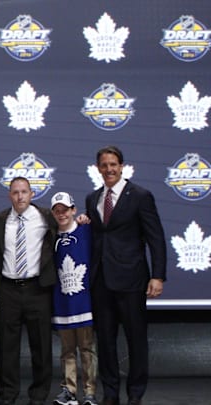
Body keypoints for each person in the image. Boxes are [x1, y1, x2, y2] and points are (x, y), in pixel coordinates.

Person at [85, 146, 166, 405]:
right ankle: (110, 393)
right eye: (104, 165)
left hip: (131, 280)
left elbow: (156, 238)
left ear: (122, 167)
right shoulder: (93, 198)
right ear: (98, 168)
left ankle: (135, 393)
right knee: (106, 342)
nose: (109, 169)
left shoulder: (141, 196)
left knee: (136, 340)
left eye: (113, 165)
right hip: (101, 281)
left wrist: (158, 276)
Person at [0, 176, 57, 405]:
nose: (20, 196)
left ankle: (39, 395)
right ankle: (8, 395)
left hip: (38, 289)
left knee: (41, 346)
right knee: (7, 348)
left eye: (24, 192)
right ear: (10, 195)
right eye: (15, 192)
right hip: (8, 289)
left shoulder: (45, 217)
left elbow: (66, 231)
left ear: (32, 194)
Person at [49, 192, 97, 405]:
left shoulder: (86, 230)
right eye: (57, 211)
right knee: (67, 349)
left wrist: (88, 219)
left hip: (84, 300)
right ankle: (69, 390)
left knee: (87, 348)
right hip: (62, 302)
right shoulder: (51, 237)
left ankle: (89, 392)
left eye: (65, 210)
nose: (62, 214)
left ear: (73, 210)